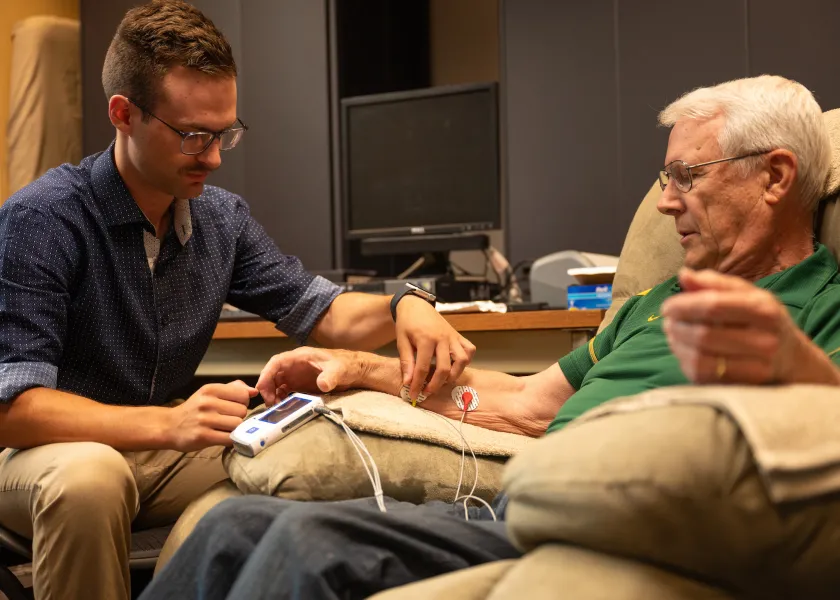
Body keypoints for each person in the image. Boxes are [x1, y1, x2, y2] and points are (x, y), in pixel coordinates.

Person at [141, 74, 840, 600]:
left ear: (776, 176)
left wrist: (794, 366)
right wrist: (360, 368)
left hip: (601, 523)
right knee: (229, 524)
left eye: (687, 176)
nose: (664, 200)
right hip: (516, 502)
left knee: (307, 539)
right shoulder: (653, 303)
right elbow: (529, 404)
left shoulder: (821, 310)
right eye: (666, 177)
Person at [0, 2, 475, 599]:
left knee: (306, 447)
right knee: (91, 477)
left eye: (224, 132)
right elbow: (13, 408)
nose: (215, 156)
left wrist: (407, 301)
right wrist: (169, 424)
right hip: (39, 455)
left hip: (155, 449)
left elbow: (324, 313)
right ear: (124, 114)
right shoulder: (43, 219)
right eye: (193, 135)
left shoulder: (221, 220)